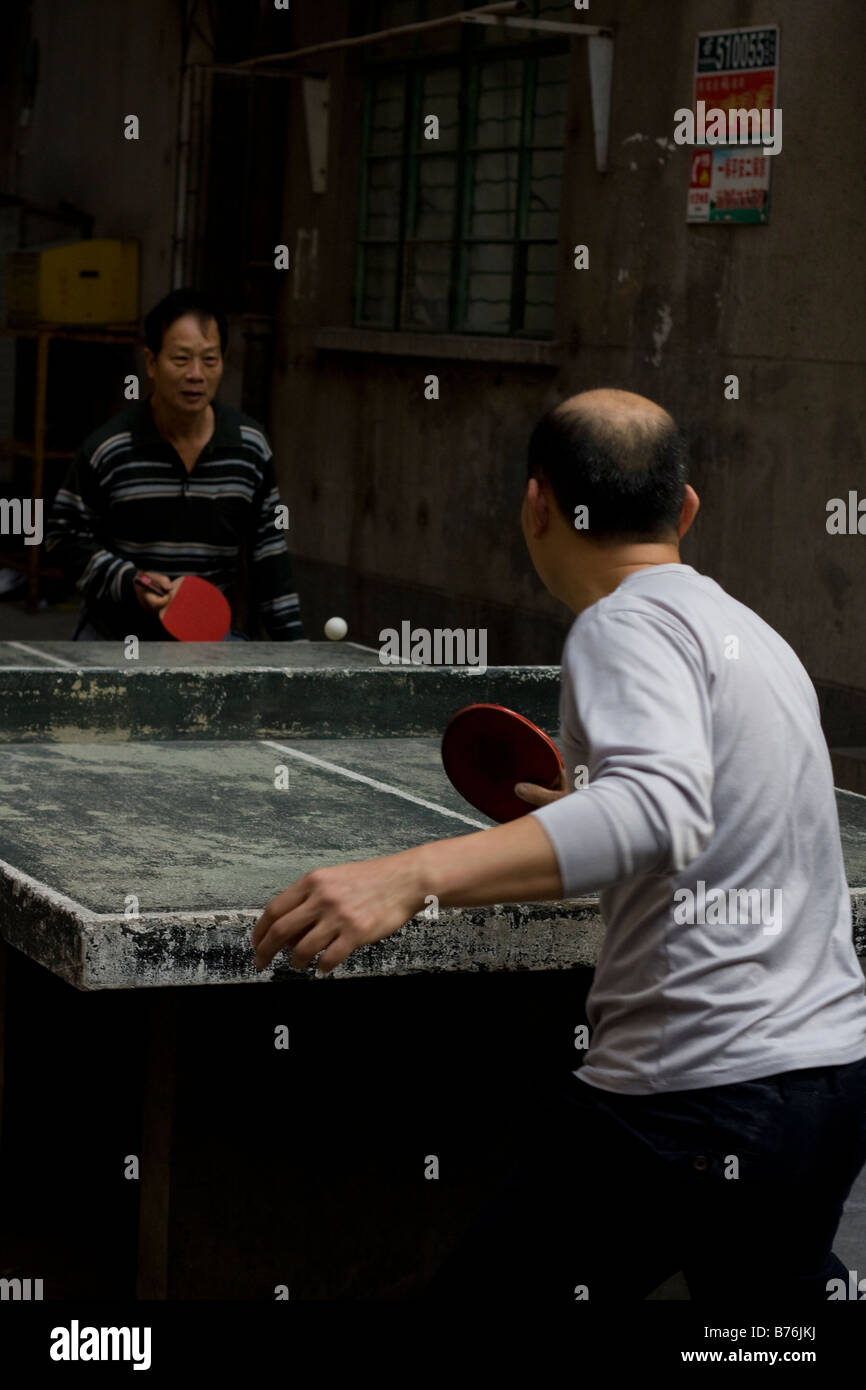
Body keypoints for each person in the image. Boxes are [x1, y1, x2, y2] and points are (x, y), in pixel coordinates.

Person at [251, 388, 866, 1302]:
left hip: (693, 1100)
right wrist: (581, 811)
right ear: (686, 508)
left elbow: (657, 808)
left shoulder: (621, 623)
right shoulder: (754, 636)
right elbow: (710, 825)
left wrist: (409, 876)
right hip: (825, 1083)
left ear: (537, 504)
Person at [45, 289, 304, 641]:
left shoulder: (250, 448)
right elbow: (61, 537)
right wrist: (129, 581)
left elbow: (269, 554)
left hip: (207, 639)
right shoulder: (108, 448)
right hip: (113, 637)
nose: (196, 374)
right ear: (151, 364)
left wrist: (296, 651)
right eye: (181, 360)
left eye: (209, 360)